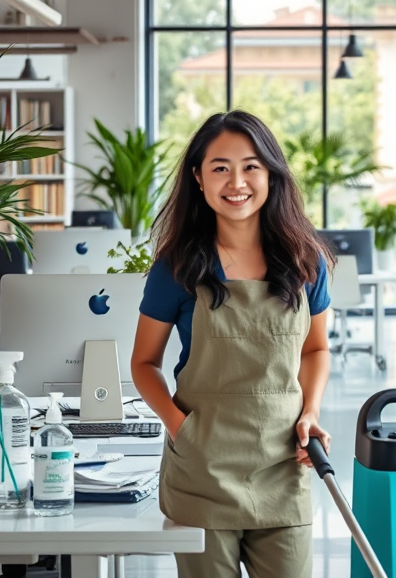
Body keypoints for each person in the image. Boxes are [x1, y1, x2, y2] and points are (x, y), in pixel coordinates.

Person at [131, 110, 334, 577]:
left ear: (271, 175)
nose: (236, 181)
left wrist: (311, 412)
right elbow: (144, 362)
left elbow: (316, 349)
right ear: (198, 178)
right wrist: (181, 428)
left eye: (251, 166)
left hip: (282, 466)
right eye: (220, 167)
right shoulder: (177, 267)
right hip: (204, 473)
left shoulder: (307, 262)